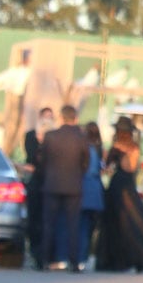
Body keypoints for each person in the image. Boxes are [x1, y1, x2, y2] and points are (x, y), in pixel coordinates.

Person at [97, 117, 143, 272]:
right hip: (128, 185)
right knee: (137, 221)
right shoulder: (135, 148)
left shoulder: (116, 147)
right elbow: (132, 168)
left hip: (117, 185)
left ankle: (117, 260)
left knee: (116, 223)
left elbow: (107, 167)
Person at [38, 105, 90, 271]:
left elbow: (43, 160)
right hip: (73, 185)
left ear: (61, 117)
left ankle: (44, 260)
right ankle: (73, 263)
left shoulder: (50, 136)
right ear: (75, 118)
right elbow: (86, 162)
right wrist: (77, 174)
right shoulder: (81, 137)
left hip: (52, 184)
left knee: (48, 224)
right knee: (73, 225)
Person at [22, 107, 53, 268]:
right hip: (36, 184)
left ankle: (43, 254)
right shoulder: (31, 136)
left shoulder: (55, 141)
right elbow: (31, 158)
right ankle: (36, 251)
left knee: (45, 220)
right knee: (34, 219)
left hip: (49, 185)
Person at [77, 122, 106, 268]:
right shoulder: (98, 149)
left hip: (82, 189)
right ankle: (83, 255)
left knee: (80, 224)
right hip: (94, 191)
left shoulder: (85, 149)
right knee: (88, 226)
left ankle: (79, 256)